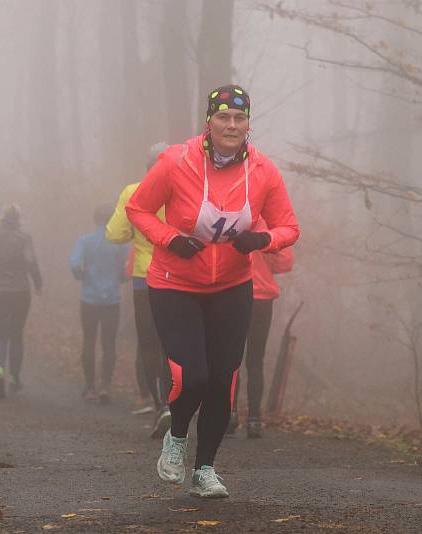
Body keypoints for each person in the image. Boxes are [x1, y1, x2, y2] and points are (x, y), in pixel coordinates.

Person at [126, 85, 299, 498]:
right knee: (194, 375)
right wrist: (170, 239)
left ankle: (205, 469)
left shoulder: (263, 171)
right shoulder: (176, 161)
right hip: (175, 285)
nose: (231, 126)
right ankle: (178, 436)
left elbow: (289, 227)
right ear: (209, 121)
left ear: (247, 124)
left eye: (239, 119)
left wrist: (263, 241)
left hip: (232, 288)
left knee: (224, 378)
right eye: (223, 117)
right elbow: (138, 209)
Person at [106, 142, 173, 438]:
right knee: (176, 344)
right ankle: (178, 402)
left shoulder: (133, 191)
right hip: (180, 278)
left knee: (149, 343)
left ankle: (161, 406)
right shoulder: (186, 189)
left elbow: (116, 233)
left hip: (144, 278)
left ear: (147, 166)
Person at [227, 218, 294, 438]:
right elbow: (285, 262)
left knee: (230, 360)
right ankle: (255, 419)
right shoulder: (268, 231)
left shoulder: (231, 223)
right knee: (256, 360)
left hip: (233, 294)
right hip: (262, 301)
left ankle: (230, 414)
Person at [0, 204, 43, 400]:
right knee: (16, 335)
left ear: (2, 220)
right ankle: (14, 377)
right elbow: (31, 263)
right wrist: (38, 283)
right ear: (18, 221)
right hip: (20, 293)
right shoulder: (24, 238)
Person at [69, 204, 129, 405]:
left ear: (94, 219)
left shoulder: (85, 241)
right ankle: (105, 386)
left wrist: (84, 276)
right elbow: (127, 268)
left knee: (89, 341)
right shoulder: (120, 243)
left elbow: (74, 264)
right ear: (112, 219)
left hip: (89, 299)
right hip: (112, 299)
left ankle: (90, 387)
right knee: (109, 343)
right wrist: (118, 278)